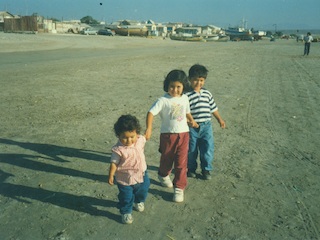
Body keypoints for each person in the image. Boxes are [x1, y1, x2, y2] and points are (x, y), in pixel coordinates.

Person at [145, 70, 198, 203]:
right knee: (166, 160)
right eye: (171, 86)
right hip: (168, 136)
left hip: (184, 134)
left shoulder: (185, 98)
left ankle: (179, 188)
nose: (174, 90)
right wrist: (149, 128)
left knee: (181, 163)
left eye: (178, 87)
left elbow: (187, 112)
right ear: (166, 85)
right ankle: (163, 175)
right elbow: (151, 113)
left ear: (183, 86)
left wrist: (191, 120)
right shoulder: (163, 100)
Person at [185, 64, 226, 180]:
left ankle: (206, 169)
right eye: (195, 80)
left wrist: (220, 119)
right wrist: (189, 121)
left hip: (206, 126)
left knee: (207, 148)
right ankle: (191, 168)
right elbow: (184, 111)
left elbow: (213, 108)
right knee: (191, 149)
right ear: (190, 79)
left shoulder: (207, 93)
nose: (198, 83)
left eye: (201, 80)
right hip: (192, 127)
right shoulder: (186, 95)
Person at [108, 114, 150, 224]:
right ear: (118, 135)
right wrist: (111, 175)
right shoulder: (118, 150)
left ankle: (139, 201)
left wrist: (149, 130)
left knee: (143, 191)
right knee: (126, 197)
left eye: (132, 136)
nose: (129, 140)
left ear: (136, 132)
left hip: (142, 174)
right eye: (124, 137)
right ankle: (126, 212)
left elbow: (146, 136)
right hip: (125, 179)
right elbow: (114, 163)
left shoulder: (140, 140)